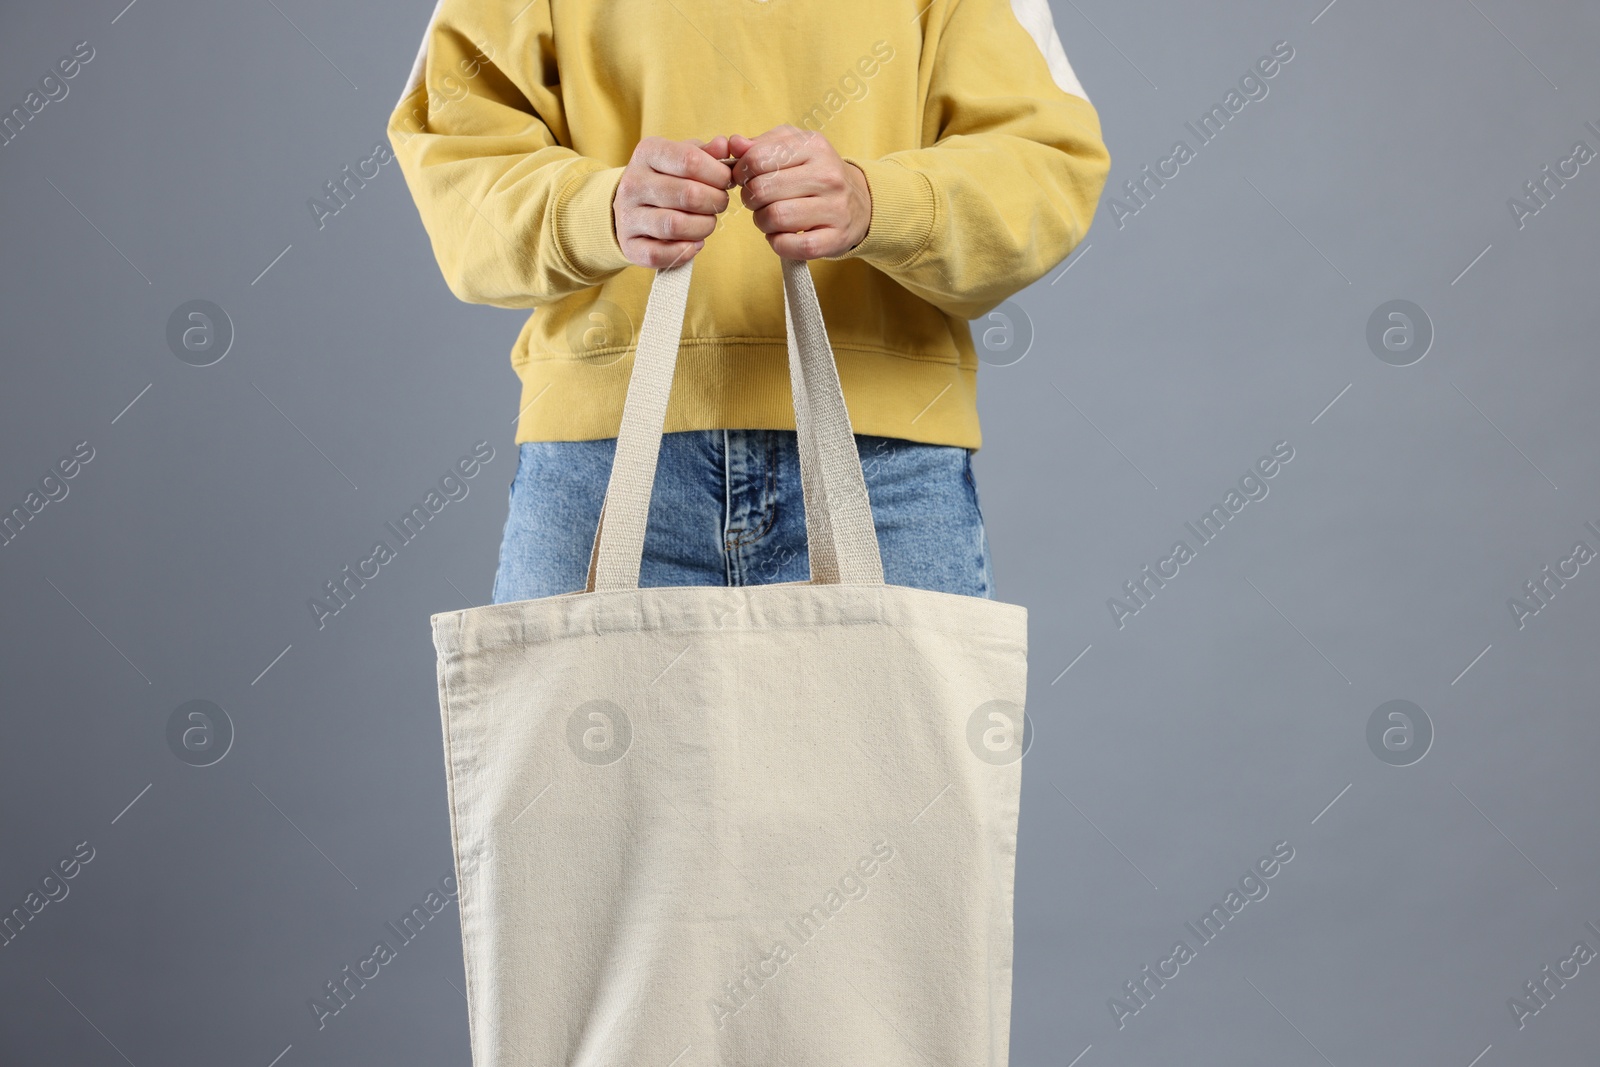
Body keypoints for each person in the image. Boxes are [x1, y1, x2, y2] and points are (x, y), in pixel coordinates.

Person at [387, 0, 1109, 603]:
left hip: (884, 475)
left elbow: (1047, 164)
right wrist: (601, 211)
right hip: (601, 475)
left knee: (889, 777)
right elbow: (455, 153)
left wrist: (874, 202)